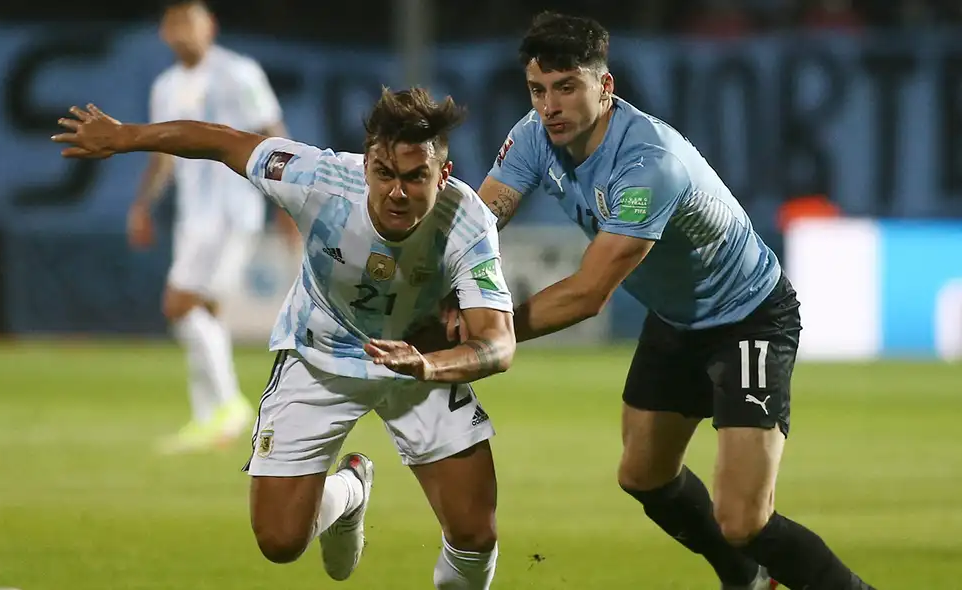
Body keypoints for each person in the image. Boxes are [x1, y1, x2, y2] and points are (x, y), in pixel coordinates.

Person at [459, 11, 875, 590]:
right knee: (643, 476)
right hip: (678, 319)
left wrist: (485, 330)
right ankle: (750, 580)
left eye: (566, 87)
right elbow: (478, 225)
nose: (550, 106)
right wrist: (429, 279)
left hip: (748, 319)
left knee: (743, 520)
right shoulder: (533, 135)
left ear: (605, 86)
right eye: (538, 90)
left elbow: (588, 293)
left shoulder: (649, 164)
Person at [52, 86, 515, 589]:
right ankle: (350, 491)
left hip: (417, 364)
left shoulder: (467, 220)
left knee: (475, 534)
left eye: (414, 177)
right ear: (365, 167)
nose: (397, 192)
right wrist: (127, 136)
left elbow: (498, 343)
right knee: (279, 540)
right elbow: (222, 141)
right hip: (320, 358)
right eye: (384, 173)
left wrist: (427, 365)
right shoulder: (317, 179)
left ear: (442, 175)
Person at [129, 0, 294, 454]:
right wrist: (143, 205)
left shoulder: (239, 73)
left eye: (191, 21)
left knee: (179, 304)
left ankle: (228, 403)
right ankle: (209, 418)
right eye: (174, 23)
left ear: (211, 26)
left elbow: (273, 134)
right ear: (164, 32)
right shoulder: (166, 86)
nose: (182, 30)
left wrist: (288, 203)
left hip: (231, 209)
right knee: (207, 312)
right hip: (193, 217)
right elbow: (163, 154)